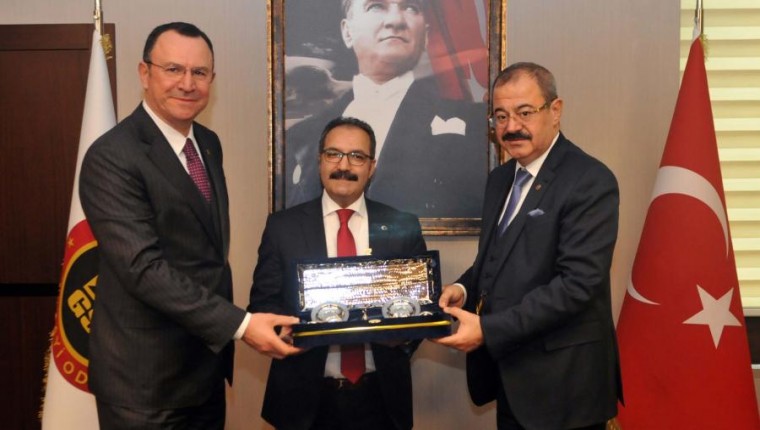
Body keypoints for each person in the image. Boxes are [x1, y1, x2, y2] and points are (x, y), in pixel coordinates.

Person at [79, 22, 299, 429]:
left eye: (199, 72)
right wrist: (242, 325)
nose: (187, 83)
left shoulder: (208, 143)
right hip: (144, 384)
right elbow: (143, 268)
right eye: (173, 69)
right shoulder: (112, 156)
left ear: (212, 79)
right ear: (145, 73)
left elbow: (205, 256)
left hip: (204, 371)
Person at [433, 62, 623, 430]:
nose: (511, 127)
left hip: (564, 387)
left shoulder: (590, 180)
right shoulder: (501, 179)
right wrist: (463, 288)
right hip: (512, 378)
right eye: (501, 116)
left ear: (556, 110)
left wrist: (488, 330)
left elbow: (577, 285)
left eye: (524, 112)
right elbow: (497, 258)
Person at [249, 117, 427, 430]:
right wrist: (285, 331)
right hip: (304, 401)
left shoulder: (403, 227)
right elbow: (263, 303)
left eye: (357, 156)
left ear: (372, 167)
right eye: (334, 154)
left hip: (381, 398)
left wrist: (402, 337)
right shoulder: (282, 227)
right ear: (320, 160)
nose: (344, 165)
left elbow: (422, 307)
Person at [285, 0, 488, 218]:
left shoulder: (473, 124)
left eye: (411, 7)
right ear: (347, 32)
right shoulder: (301, 137)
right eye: (375, 6)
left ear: (426, 36)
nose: (395, 20)